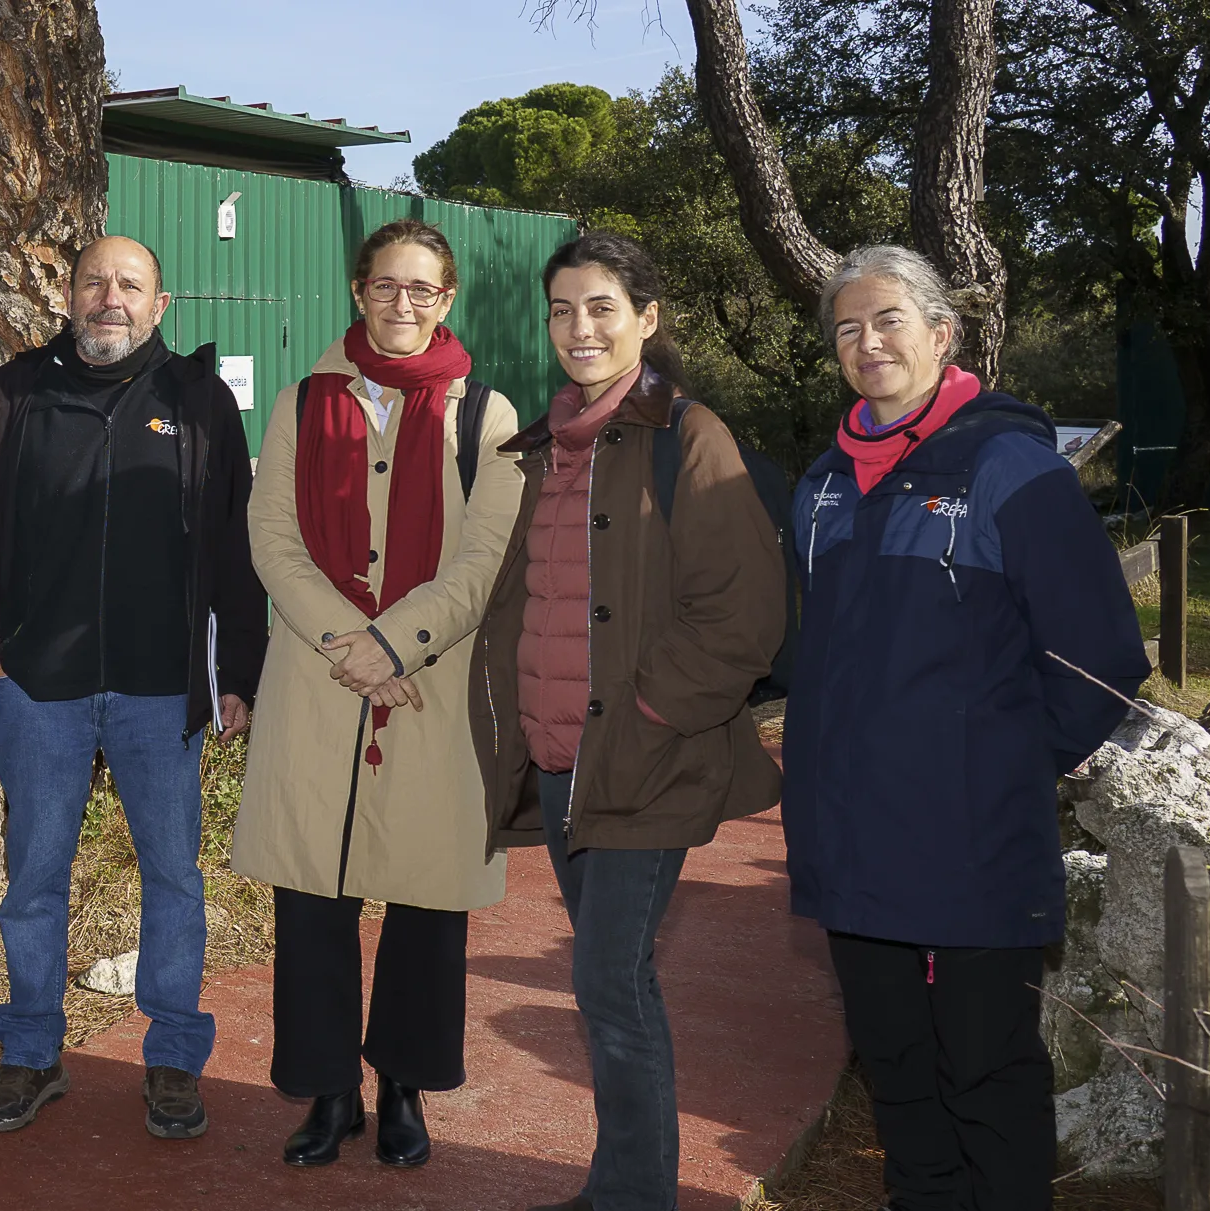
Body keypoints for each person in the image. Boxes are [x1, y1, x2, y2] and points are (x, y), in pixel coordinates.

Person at [784, 246, 1145, 1211]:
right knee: (895, 1064)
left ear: (943, 334)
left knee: (988, 1068)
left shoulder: (1011, 469)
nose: (868, 342)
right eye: (848, 328)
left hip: (974, 839)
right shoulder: (820, 487)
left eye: (889, 320)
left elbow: (1101, 657)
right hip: (851, 836)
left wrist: (999, 765)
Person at [471, 231, 787, 1211]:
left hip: (643, 758)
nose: (580, 328)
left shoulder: (690, 438)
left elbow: (741, 613)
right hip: (559, 756)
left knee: (609, 979)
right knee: (609, 980)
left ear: (646, 319)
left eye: (602, 307)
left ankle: (635, 1195)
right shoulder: (545, 443)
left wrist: (649, 712)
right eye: (561, 309)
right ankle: (619, 1184)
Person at [0, 235, 265, 1140]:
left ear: (161, 304)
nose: (110, 297)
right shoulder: (10, 397)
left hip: (161, 689)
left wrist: (238, 672)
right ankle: (32, 1050)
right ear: (68, 296)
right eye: (94, 282)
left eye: (130, 284)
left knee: (174, 875)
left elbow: (236, 547)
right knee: (35, 876)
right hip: (41, 688)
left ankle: (173, 1057)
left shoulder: (199, 401)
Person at [230, 218, 526, 1170]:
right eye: (387, 285)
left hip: (433, 682)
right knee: (314, 901)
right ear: (359, 291)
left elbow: (486, 560)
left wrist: (393, 643)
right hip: (320, 681)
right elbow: (272, 536)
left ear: (447, 299)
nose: (404, 302)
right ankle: (328, 1091)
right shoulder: (299, 403)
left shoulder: (488, 415)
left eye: (422, 288)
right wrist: (348, 643)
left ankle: (403, 1084)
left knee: (427, 902)